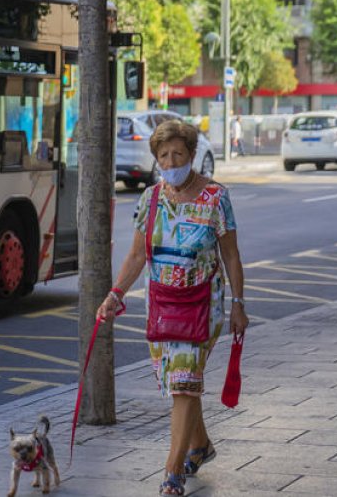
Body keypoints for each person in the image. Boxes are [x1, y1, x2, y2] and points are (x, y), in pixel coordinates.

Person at [97, 119, 248, 496]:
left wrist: (238, 304)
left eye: (178, 154)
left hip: (203, 304)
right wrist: (115, 294)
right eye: (163, 156)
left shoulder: (215, 197)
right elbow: (136, 255)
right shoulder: (150, 199)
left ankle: (172, 472)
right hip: (162, 304)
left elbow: (230, 255)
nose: (170, 161)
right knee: (181, 383)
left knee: (182, 382)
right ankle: (201, 446)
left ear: (193, 155)